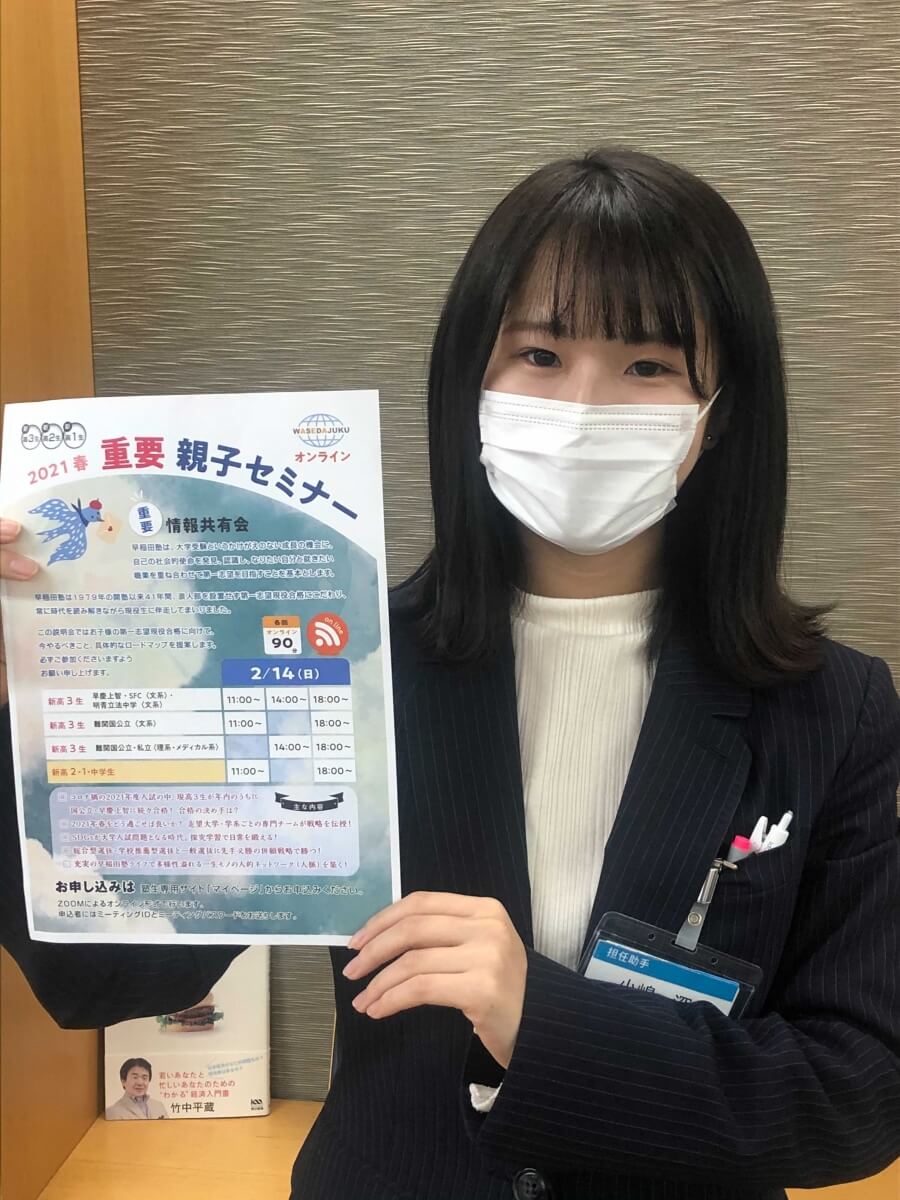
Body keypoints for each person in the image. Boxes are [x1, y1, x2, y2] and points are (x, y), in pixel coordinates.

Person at [2, 147, 898, 1199]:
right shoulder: (338, 668)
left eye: (650, 367)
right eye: (540, 354)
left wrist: (543, 1023)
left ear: (721, 410)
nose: (586, 406)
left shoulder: (832, 709)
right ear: (471, 379)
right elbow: (105, 974)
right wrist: (26, 707)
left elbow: (860, 1090)